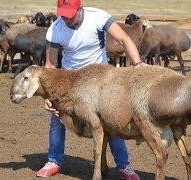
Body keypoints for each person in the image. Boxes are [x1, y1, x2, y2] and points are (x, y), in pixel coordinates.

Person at [36, 0, 148, 179]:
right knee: (56, 119)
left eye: (70, 14)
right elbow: (50, 65)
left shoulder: (98, 17)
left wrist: (138, 63)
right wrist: (48, 96)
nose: (66, 19)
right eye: (63, 14)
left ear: (80, 8)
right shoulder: (55, 29)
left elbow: (124, 39)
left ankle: (124, 166)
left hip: (100, 81)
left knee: (112, 119)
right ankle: (53, 161)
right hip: (69, 82)